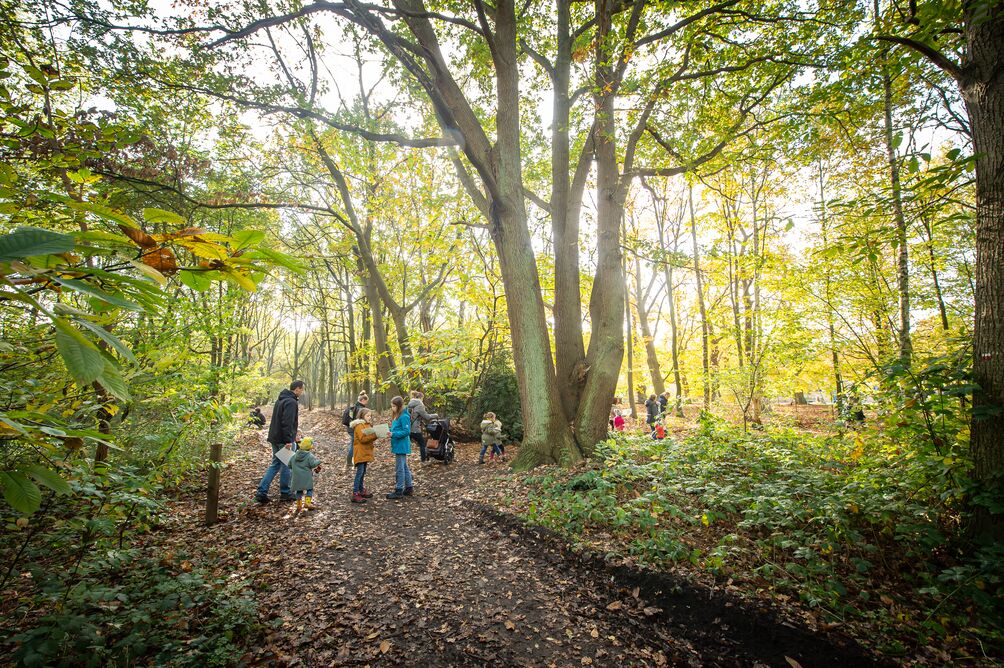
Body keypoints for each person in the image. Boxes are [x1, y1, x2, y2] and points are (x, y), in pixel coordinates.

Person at [255, 381, 305, 503]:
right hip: (283, 440)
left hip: (275, 438)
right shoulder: (291, 402)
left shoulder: (281, 399)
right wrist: (288, 440)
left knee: (276, 464)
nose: (302, 392)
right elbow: (286, 422)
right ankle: (285, 492)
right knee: (287, 465)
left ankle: (261, 491)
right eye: (302, 389)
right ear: (297, 389)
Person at [349, 408, 378, 504]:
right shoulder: (359, 425)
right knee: (360, 472)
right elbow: (362, 439)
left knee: (363, 471)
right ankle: (355, 493)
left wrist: (376, 433)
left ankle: (361, 490)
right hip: (360, 452)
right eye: (367, 416)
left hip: (365, 452)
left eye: (370, 416)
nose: (370, 417)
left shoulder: (367, 425)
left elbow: (369, 438)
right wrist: (374, 435)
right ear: (362, 416)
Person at [387, 396, 413, 500]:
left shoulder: (404, 416)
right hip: (397, 444)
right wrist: (388, 430)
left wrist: (393, 434)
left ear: (399, 406)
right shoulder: (397, 415)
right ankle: (409, 487)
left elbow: (406, 432)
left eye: (393, 406)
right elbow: (395, 428)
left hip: (401, 445)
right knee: (404, 467)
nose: (392, 408)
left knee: (400, 468)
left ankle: (399, 490)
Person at [290, 436, 321, 512]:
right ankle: (307, 503)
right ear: (310, 447)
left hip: (296, 477)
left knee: (299, 491)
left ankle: (299, 505)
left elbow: (289, 465)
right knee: (309, 489)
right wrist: (318, 461)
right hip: (306, 477)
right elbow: (313, 464)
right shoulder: (309, 456)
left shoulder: (294, 455)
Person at [406, 390, 438, 463]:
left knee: (406, 443)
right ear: (421, 397)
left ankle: (402, 459)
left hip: (408, 428)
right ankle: (423, 460)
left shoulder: (410, 404)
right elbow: (427, 417)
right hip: (415, 429)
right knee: (422, 444)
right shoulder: (420, 405)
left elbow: (414, 416)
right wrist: (435, 415)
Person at [342, 392, 369, 469]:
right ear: (363, 400)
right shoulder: (361, 409)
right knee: (355, 446)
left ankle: (350, 462)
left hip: (350, 429)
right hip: (355, 429)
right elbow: (362, 420)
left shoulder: (354, 407)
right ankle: (352, 462)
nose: (366, 403)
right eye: (366, 401)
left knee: (353, 445)